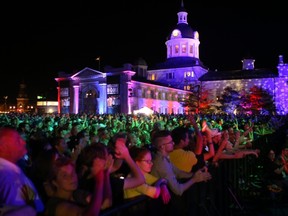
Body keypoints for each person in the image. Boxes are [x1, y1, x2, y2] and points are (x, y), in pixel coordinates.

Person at [150, 130, 212, 216]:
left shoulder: (165, 157)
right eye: (170, 142)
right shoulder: (161, 164)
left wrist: (195, 174)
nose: (173, 143)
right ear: (162, 146)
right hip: (163, 209)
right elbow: (178, 190)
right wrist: (194, 179)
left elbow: (178, 172)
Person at [45, 154, 112, 216]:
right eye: (65, 176)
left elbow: (105, 203)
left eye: (73, 172)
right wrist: (99, 178)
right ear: (55, 182)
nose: (71, 177)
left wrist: (105, 172)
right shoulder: (58, 207)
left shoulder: (76, 194)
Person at [0, 127, 44, 215]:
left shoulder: (11, 171)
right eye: (17, 140)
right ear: (3, 147)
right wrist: (32, 207)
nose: (23, 142)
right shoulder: (10, 179)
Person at [124, 146, 171, 215]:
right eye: (147, 161)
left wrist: (163, 186)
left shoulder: (143, 175)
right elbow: (155, 193)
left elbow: (162, 180)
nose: (151, 164)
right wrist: (160, 183)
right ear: (137, 163)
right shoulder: (133, 179)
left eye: (151, 161)